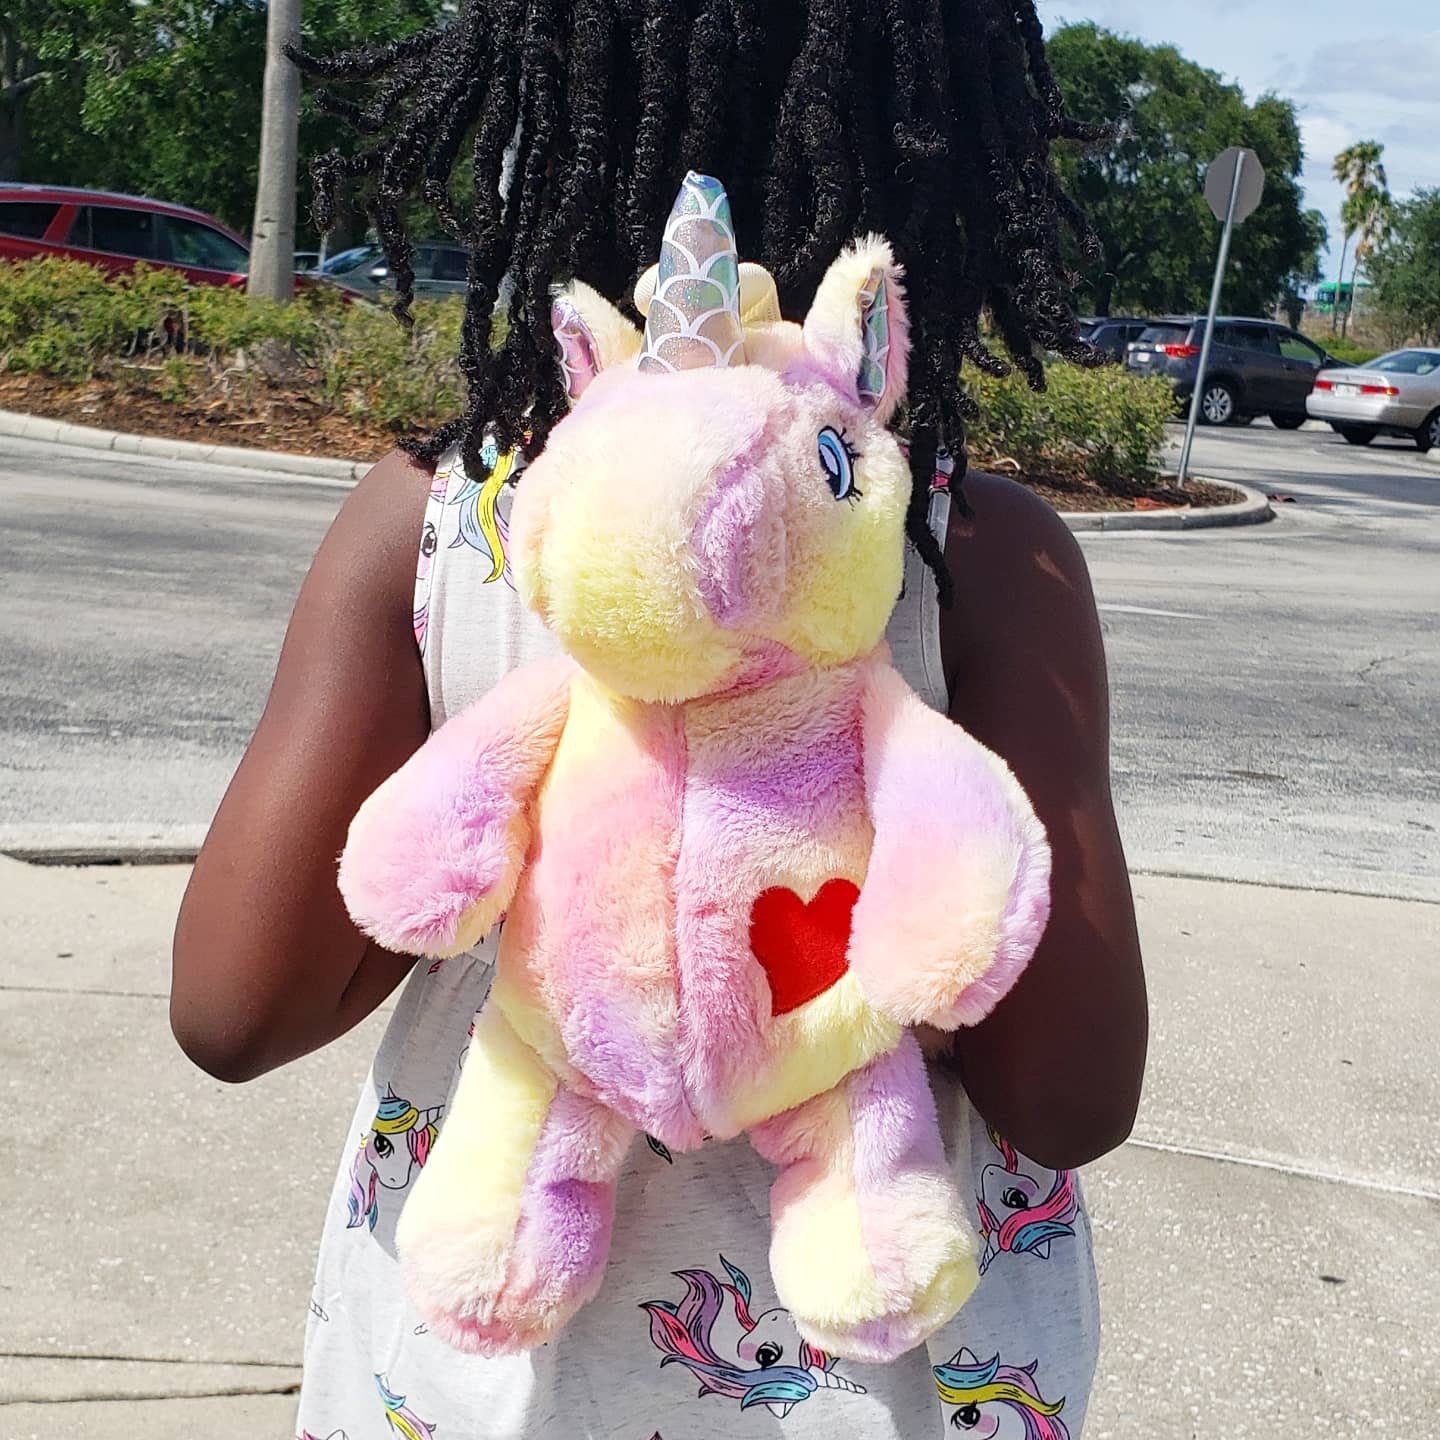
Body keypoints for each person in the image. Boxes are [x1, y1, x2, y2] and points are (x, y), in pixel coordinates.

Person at [170, 0, 1147, 1435]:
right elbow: (1070, 1095)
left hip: (490, 1376)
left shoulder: (445, 526)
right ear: (945, 156)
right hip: (882, 1385)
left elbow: (234, 1006)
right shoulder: (967, 550)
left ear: (533, 123)